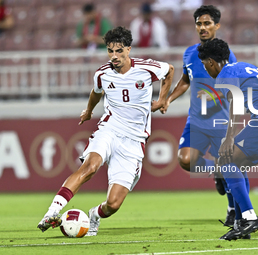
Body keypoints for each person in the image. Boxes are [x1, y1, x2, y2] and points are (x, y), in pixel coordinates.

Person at [37, 26, 174, 236]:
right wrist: (89, 111)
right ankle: (52, 212)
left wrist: (163, 99)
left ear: (129, 49)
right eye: (110, 51)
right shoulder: (102, 73)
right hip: (109, 128)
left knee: (113, 204)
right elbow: (96, 92)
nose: (114, 56)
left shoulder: (147, 68)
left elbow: (170, 70)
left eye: (119, 51)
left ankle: (95, 215)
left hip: (134, 140)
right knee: (90, 167)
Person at [197, 38, 258, 240]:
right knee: (235, 165)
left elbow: (237, 102)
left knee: (225, 159)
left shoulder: (224, 74)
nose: (206, 69)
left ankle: (248, 218)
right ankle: (241, 222)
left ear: (212, 62)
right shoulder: (245, 67)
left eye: (205, 64)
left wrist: (228, 137)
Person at [160, 5, 239, 229]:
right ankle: (216, 171)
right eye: (199, 24)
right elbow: (185, 79)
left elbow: (233, 87)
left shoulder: (226, 54)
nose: (202, 28)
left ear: (217, 25)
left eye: (207, 23)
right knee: (186, 160)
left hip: (220, 120)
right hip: (196, 120)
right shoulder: (189, 53)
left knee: (230, 167)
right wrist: (168, 99)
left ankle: (233, 211)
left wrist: (216, 99)